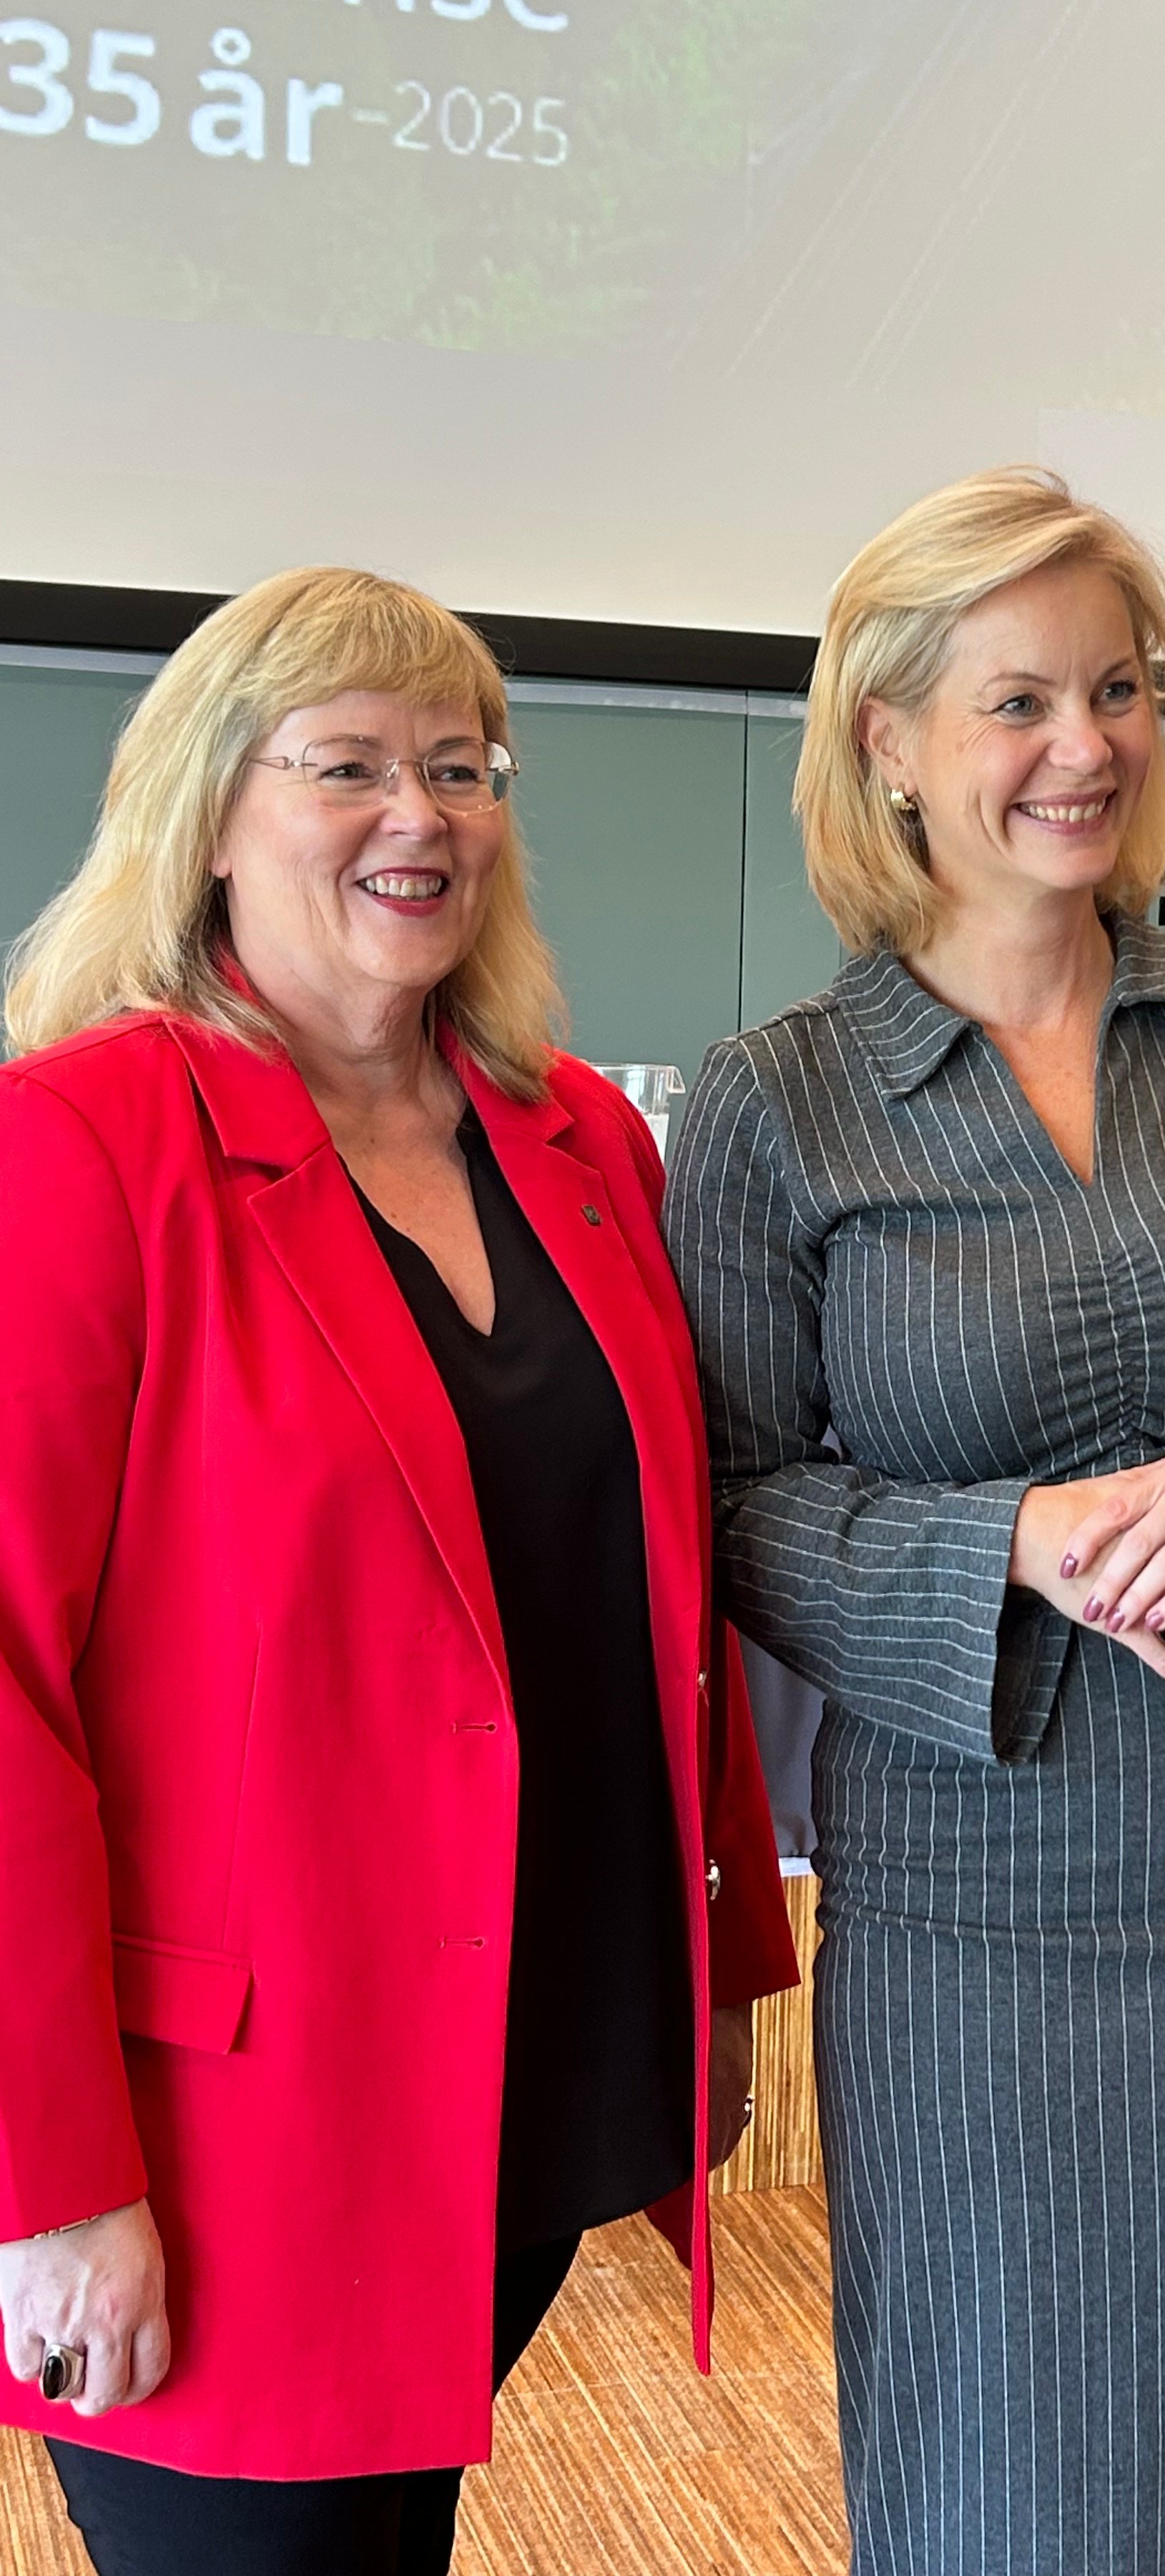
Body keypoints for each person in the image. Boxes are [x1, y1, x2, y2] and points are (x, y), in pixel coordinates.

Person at [666, 468, 1165, 2576]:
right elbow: (730, 1501)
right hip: (977, 1919)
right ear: (889, 744)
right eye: (1015, 702)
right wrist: (1015, 1543)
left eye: (1116, 690)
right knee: (1007, 2453)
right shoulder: (770, 1103)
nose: (1082, 747)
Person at [0, 568, 795, 2575]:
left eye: (462, 765)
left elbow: (658, 1587)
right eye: (346, 764)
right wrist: (49, 2183)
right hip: (228, 2126)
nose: (419, 814)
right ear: (209, 810)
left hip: (531, 2048)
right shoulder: (79, 1145)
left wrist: (712, 1975)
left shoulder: (579, 1139)